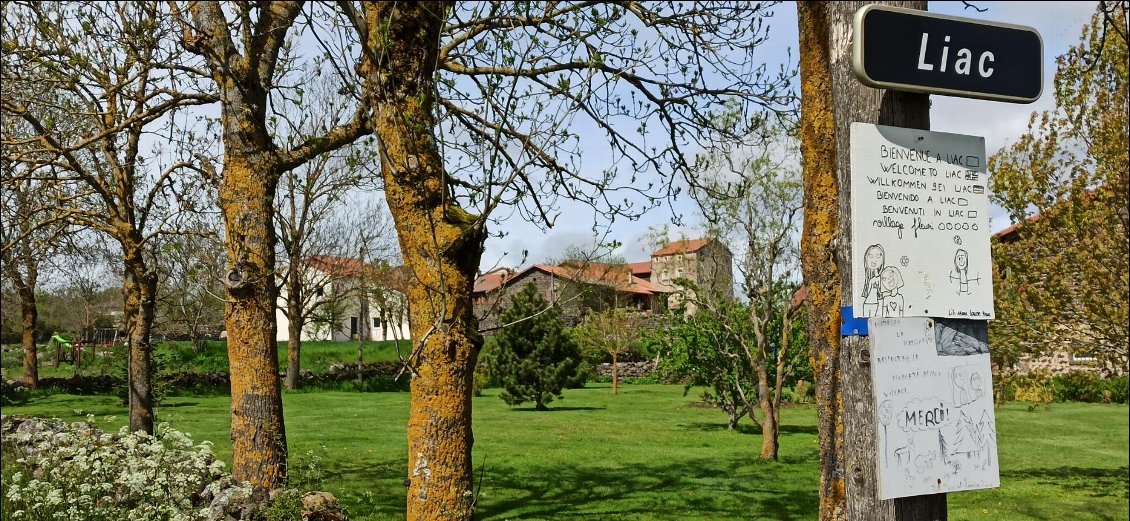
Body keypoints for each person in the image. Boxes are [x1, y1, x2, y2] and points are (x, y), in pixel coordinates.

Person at [861, 244, 885, 317]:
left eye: (878, 256)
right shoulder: (869, 279)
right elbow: (867, 291)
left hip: (875, 302)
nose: (874, 260)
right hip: (868, 302)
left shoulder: (880, 278)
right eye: (871, 256)